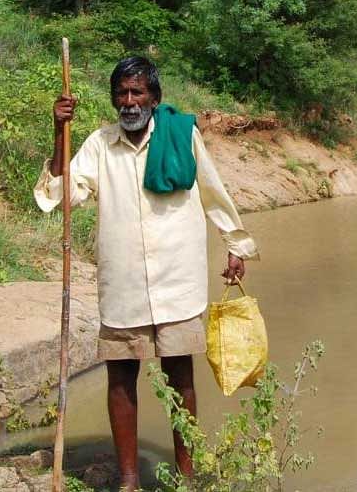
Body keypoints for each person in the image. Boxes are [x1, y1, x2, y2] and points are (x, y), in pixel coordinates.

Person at [34, 55, 258, 491]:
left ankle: (187, 477)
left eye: (138, 92)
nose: (129, 102)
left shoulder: (180, 135)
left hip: (178, 281)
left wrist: (237, 244)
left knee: (181, 377)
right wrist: (57, 132)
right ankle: (130, 481)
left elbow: (213, 191)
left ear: (154, 97)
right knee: (120, 377)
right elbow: (63, 196)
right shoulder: (100, 145)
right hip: (125, 286)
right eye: (122, 93)